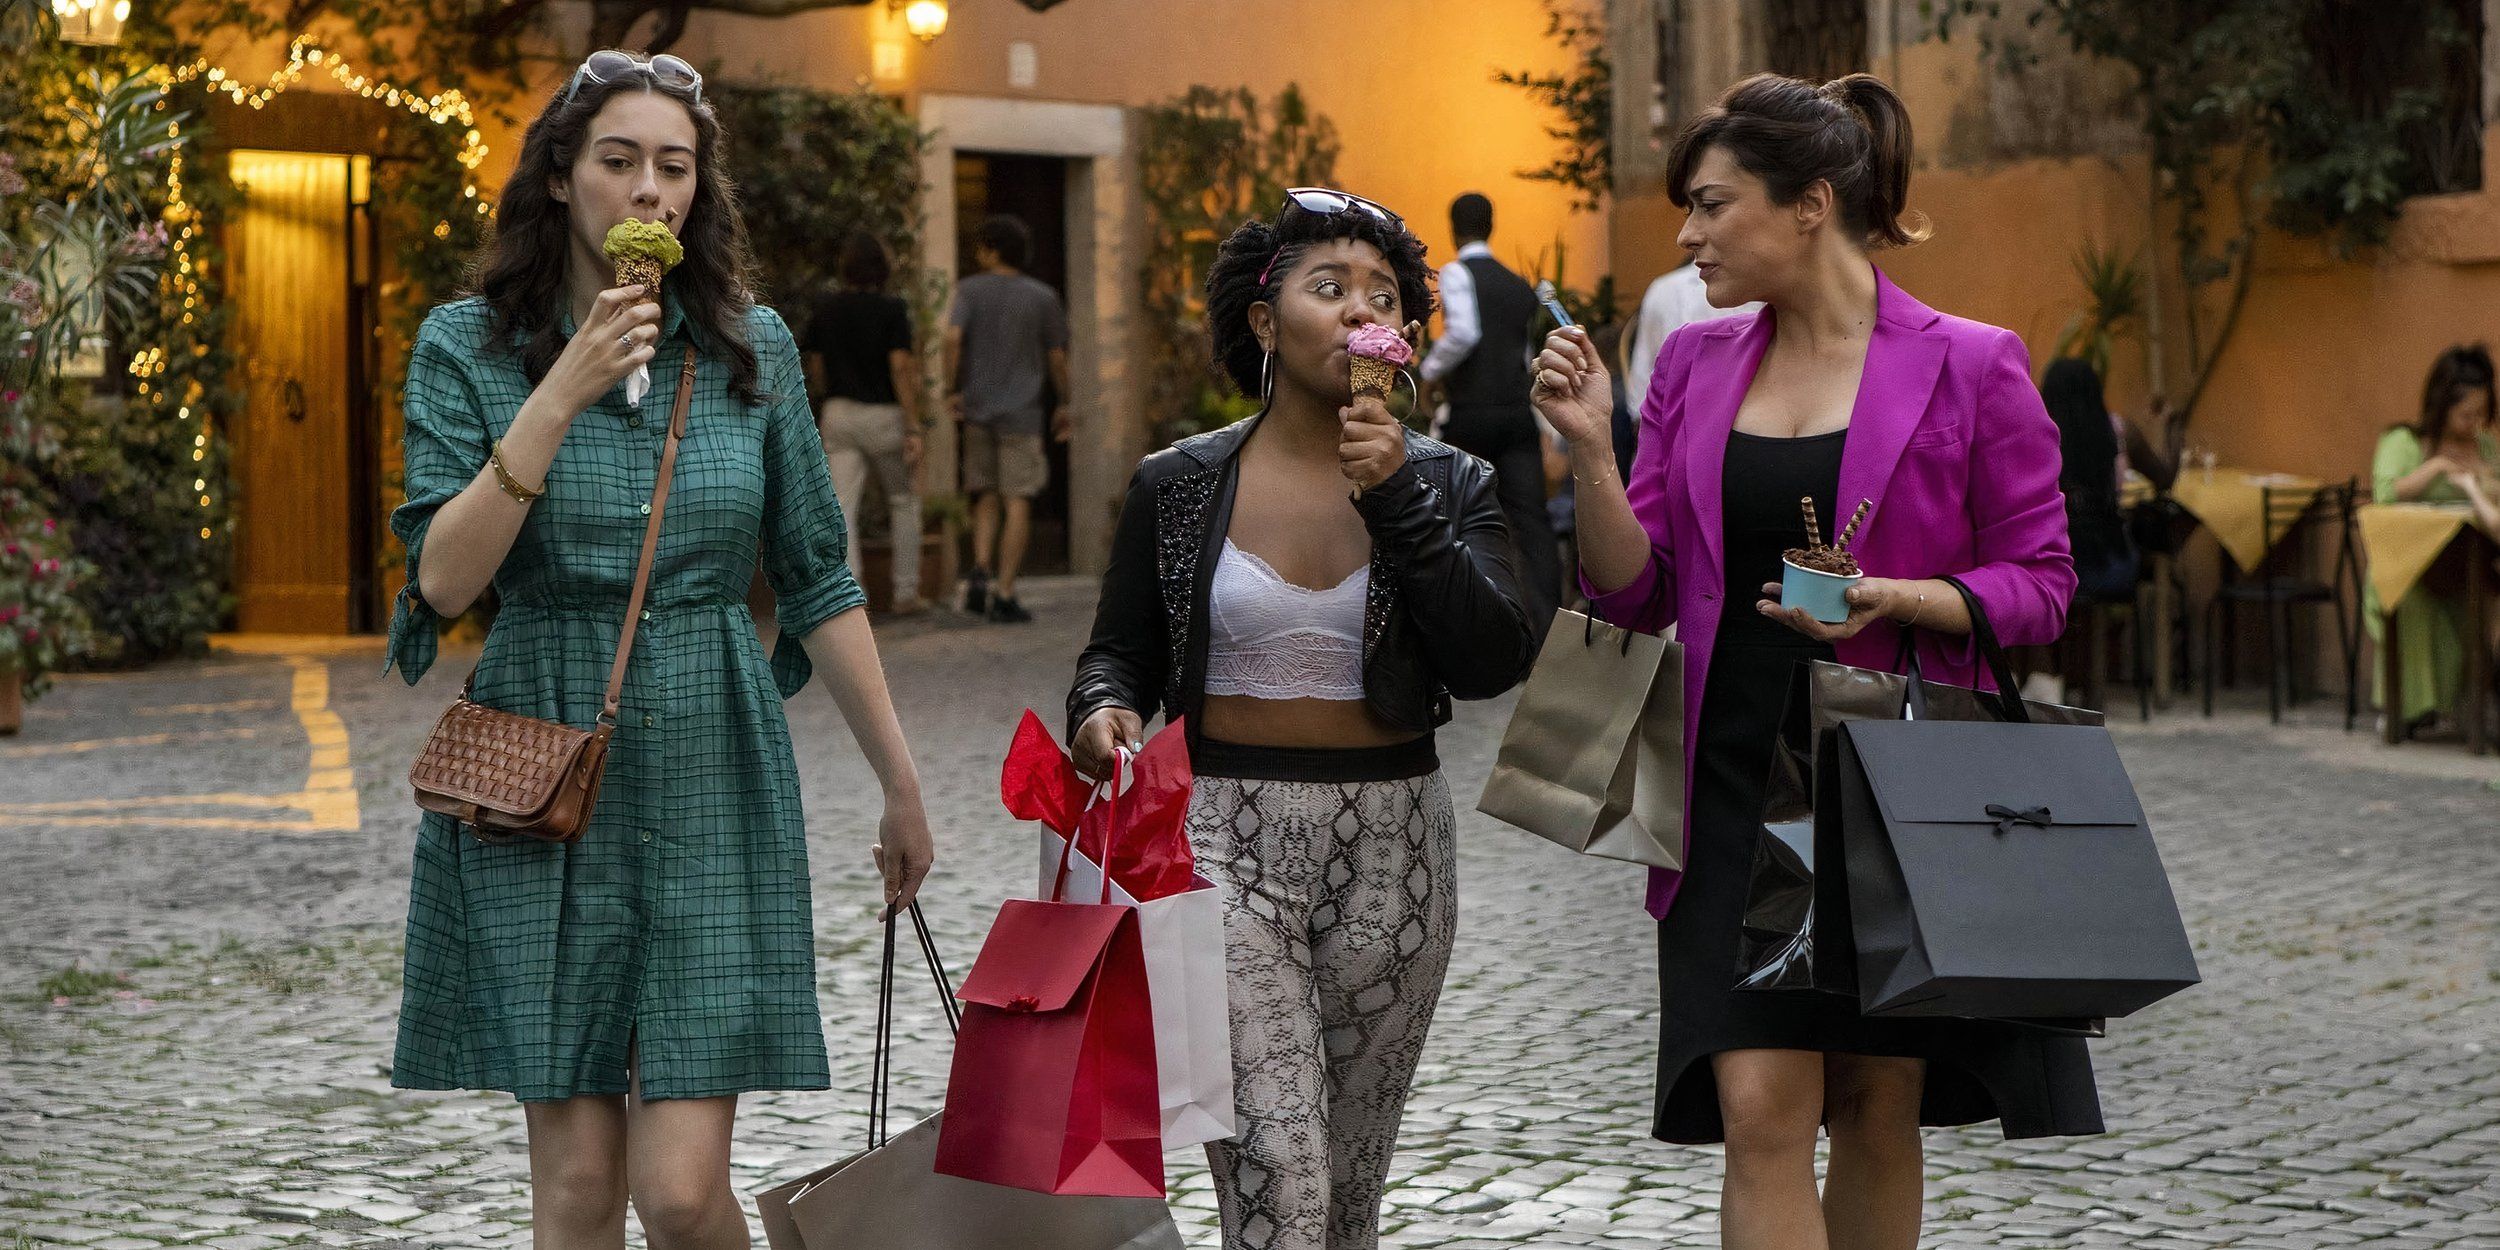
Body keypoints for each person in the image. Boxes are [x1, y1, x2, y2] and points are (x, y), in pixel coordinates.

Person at [1531, 72, 2098, 1250]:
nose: (1686, 236)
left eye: (1710, 204)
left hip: (1890, 780)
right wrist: (1590, 452)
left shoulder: (1973, 363)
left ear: (1809, 206)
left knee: (1875, 1099)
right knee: (1758, 1104)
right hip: (1724, 769)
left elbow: (2042, 585)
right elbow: (1628, 585)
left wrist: (1892, 596)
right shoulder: (1692, 366)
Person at [380, 51, 935, 1248]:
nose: (647, 192)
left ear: (696, 194)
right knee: (579, 1188)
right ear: (562, 178)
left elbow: (819, 574)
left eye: (672, 168)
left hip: (709, 755)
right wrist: (562, 389)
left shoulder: (750, 348)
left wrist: (899, 780)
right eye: (618, 161)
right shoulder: (465, 347)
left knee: (679, 1195)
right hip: (538, 760)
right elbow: (442, 578)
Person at [1068, 188, 1535, 1250]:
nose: (1362, 310)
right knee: (1281, 1180)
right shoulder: (1178, 484)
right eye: (1329, 289)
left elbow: (1491, 655)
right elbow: (1120, 651)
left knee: (1347, 1196)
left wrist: (1396, 498)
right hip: (1224, 838)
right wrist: (1101, 709)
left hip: (1398, 847)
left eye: (1384, 297)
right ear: (1267, 322)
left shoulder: (1450, 481)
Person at [1420, 191, 1561, 627]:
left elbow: (1463, 334)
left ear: (1453, 228)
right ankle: (1549, 636)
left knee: (1449, 520)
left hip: (1471, 416)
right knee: (1532, 527)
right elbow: (1521, 359)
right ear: (1491, 226)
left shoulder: (1458, 272)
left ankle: (1459, 628)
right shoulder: (1519, 285)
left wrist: (1427, 372)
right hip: (1516, 417)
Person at [2368, 344, 2500, 736]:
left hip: (2468, 564)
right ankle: (2405, 710)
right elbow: (2386, 493)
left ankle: (2462, 710)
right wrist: (2439, 467)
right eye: (2465, 415)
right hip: (2408, 564)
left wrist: (2483, 475)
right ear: (2442, 406)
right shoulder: (2405, 441)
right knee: (2414, 608)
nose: (2473, 422)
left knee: (2477, 611)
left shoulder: (2486, 446)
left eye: (2481, 413)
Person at [944, 214, 1070, 624]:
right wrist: (1065, 401)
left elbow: (951, 338)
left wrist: (951, 388)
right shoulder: (1042, 297)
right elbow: (1056, 357)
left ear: (992, 249)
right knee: (1019, 498)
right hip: (1023, 413)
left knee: (985, 494)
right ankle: (1005, 589)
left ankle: (979, 571)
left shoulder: (968, 290)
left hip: (979, 409)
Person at [806, 231, 928, 614]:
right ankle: (906, 592)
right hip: (884, 416)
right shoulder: (892, 310)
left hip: (839, 413)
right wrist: (913, 424)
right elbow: (900, 367)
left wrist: (828, 396)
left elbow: (814, 365)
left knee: (842, 506)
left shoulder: (826, 309)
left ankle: (851, 594)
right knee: (903, 502)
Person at [1622, 257, 1760, 415]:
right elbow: (1642, 382)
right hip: (1678, 425)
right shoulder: (1666, 291)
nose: (1686, 239)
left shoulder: (1771, 288)